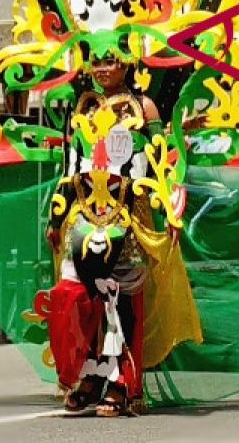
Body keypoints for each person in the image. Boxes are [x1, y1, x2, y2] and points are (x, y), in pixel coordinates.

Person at [43, 54, 194, 417]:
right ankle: (91, 376)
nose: (102, 69)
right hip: (83, 215)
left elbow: (164, 160)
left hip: (129, 213)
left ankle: (123, 382)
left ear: (127, 63)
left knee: (121, 301)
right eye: (96, 62)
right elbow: (71, 168)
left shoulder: (144, 107)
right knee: (81, 296)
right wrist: (55, 216)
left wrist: (171, 204)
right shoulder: (85, 107)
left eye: (110, 61)